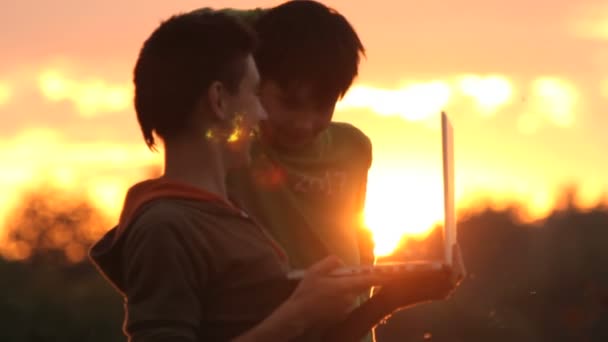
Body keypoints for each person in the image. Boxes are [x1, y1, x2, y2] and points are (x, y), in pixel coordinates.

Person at [88, 10, 381, 341]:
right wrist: (300, 312)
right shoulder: (165, 225)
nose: (260, 113)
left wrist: (400, 295)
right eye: (254, 93)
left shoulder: (231, 217)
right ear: (218, 100)